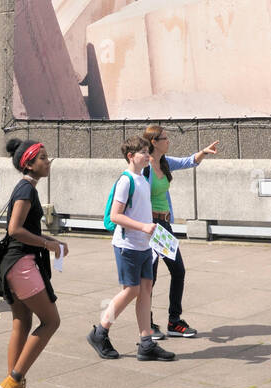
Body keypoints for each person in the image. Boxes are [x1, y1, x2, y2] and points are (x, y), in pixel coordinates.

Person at [87, 136, 176, 362]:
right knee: (131, 290)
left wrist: (153, 235)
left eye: (148, 151)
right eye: (143, 152)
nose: (148, 155)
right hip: (127, 246)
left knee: (146, 289)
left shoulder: (143, 180)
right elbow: (116, 216)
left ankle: (146, 343)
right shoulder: (126, 181)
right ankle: (100, 332)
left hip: (144, 246)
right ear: (130, 156)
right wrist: (144, 226)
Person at [0, 138, 66, 388]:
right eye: (43, 158)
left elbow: (25, 229)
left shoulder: (26, 187)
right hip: (21, 265)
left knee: (21, 323)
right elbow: (14, 229)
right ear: (29, 163)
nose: (47, 161)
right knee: (51, 321)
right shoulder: (26, 188)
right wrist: (48, 244)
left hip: (12, 263)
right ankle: (13, 383)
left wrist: (50, 240)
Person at [143, 123, 218, 339]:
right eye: (165, 138)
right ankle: (146, 324)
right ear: (154, 142)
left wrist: (203, 152)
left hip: (164, 227)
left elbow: (189, 161)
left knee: (178, 271)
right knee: (151, 277)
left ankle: (174, 321)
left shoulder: (164, 163)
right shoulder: (144, 167)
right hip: (150, 227)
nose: (168, 141)